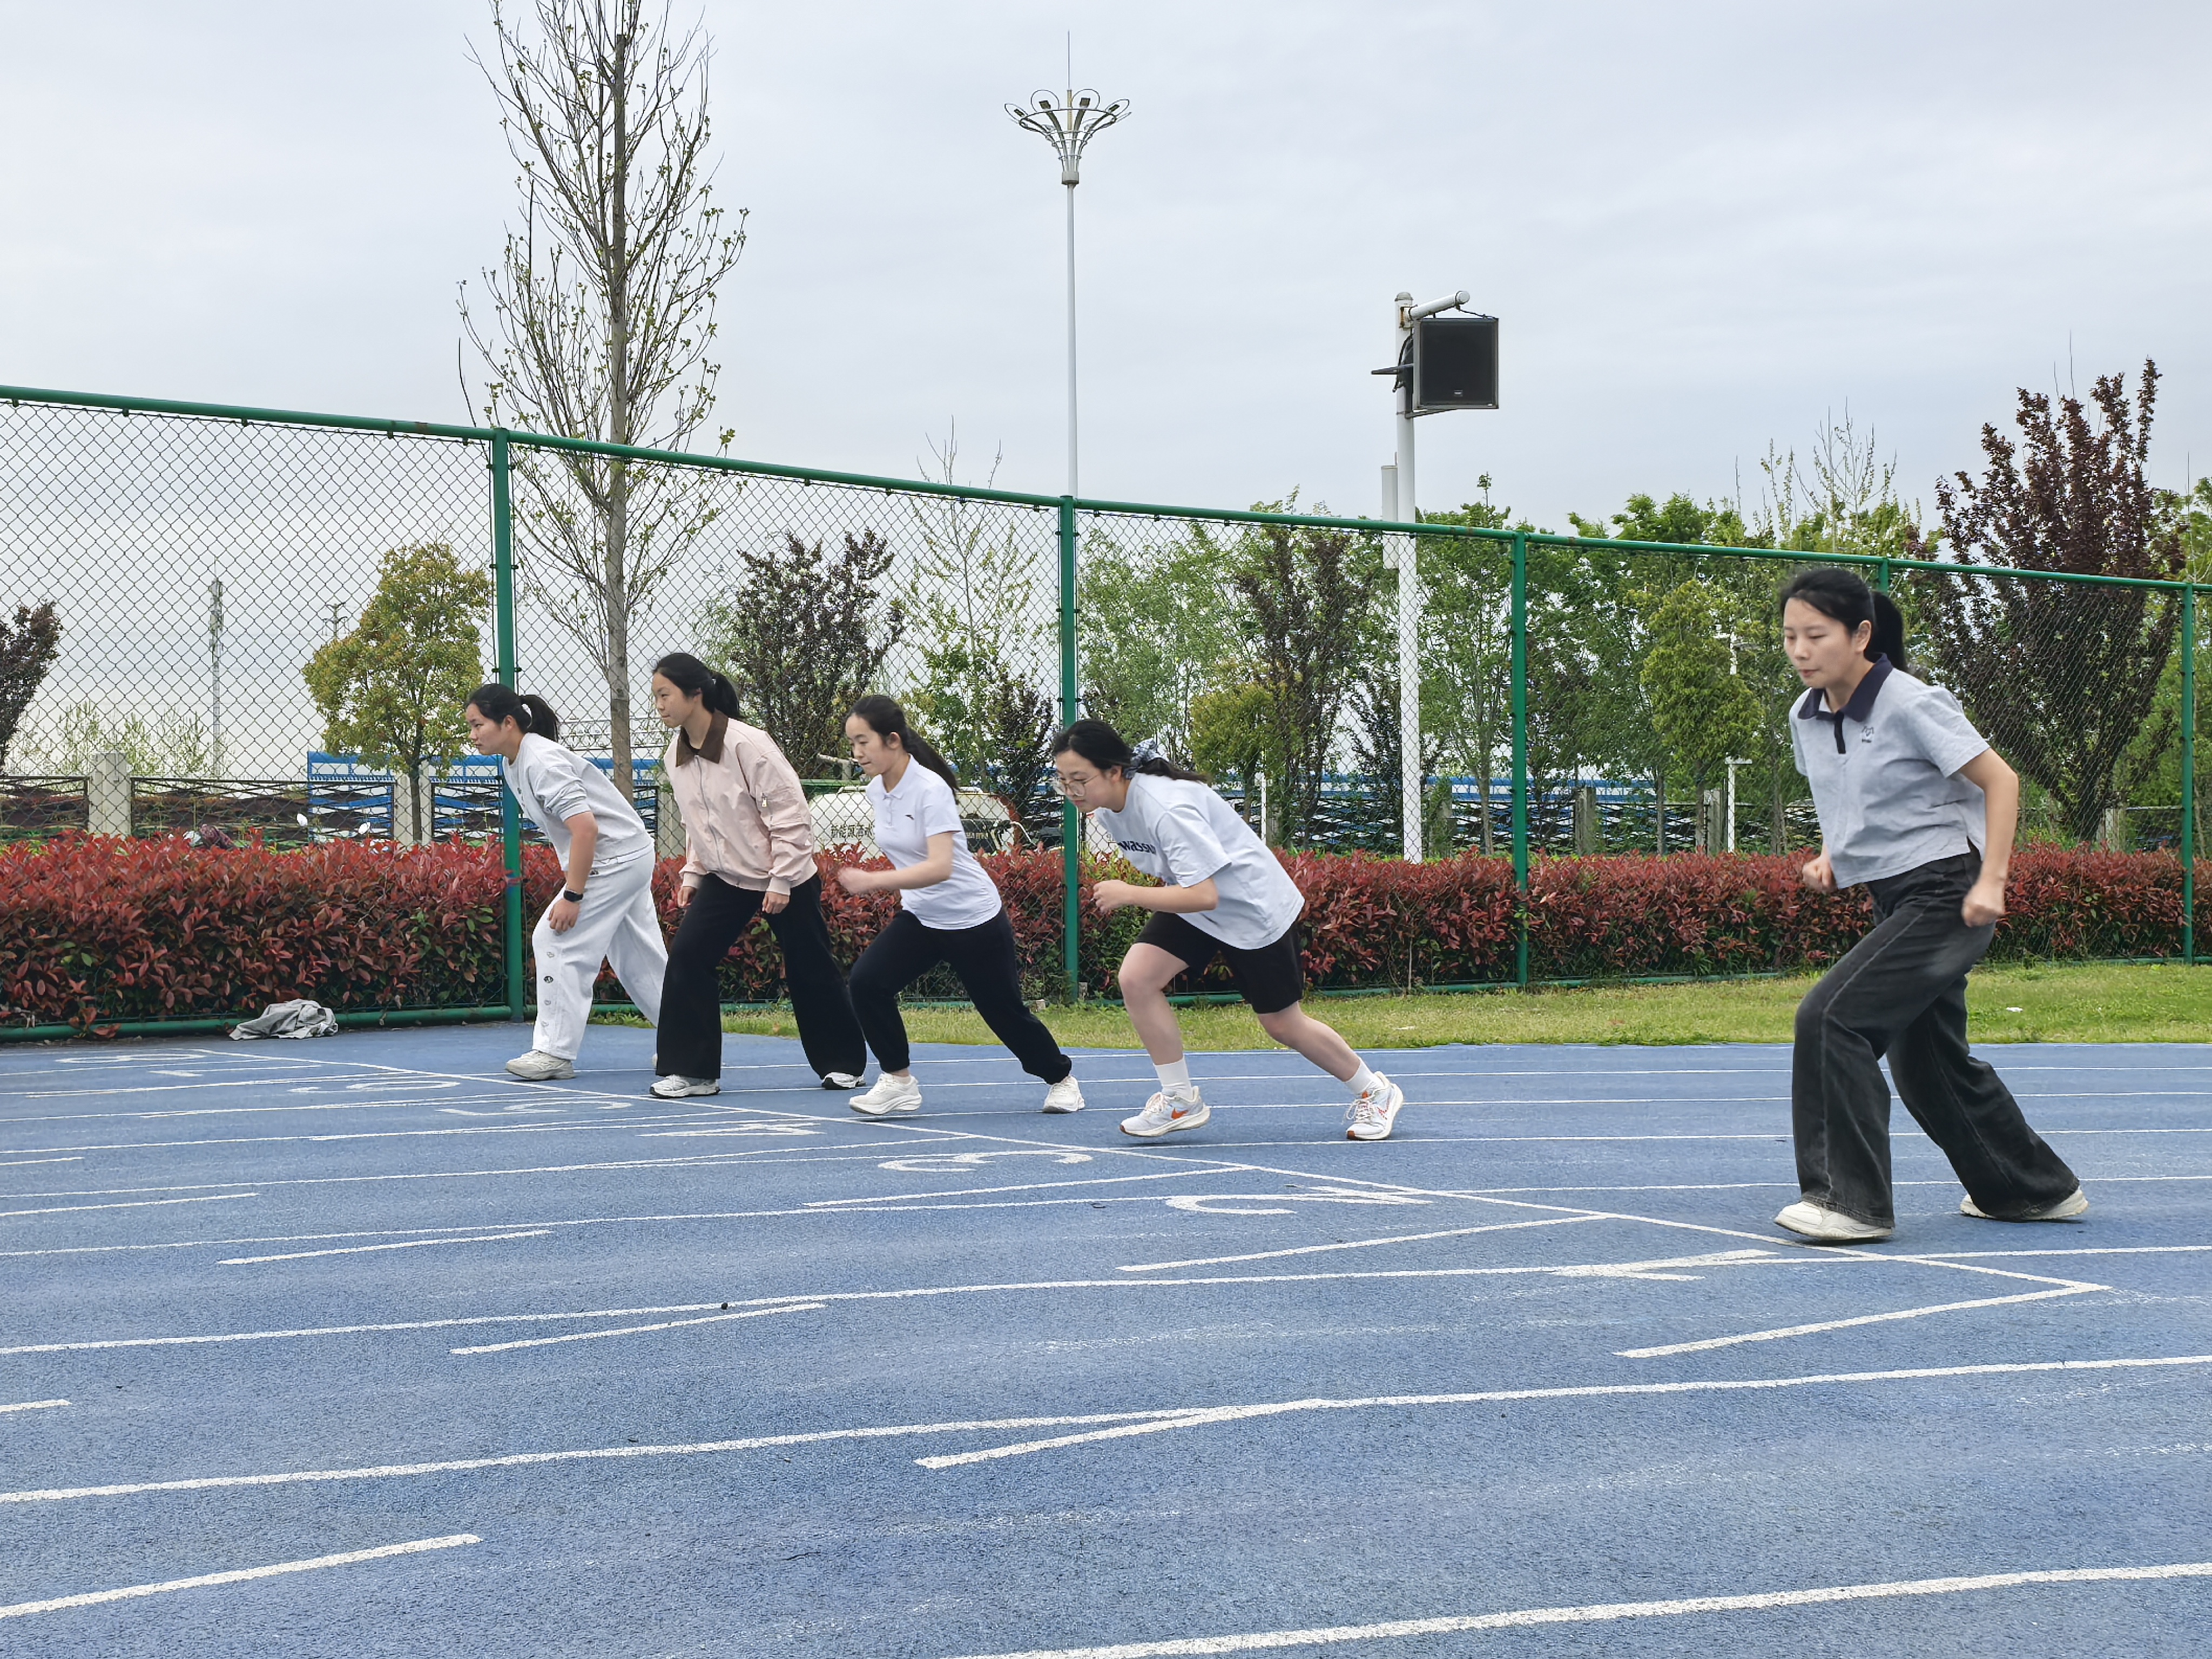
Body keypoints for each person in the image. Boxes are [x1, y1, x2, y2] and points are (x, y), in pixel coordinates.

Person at [1777, 567, 2085, 1243]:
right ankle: (2031, 1189)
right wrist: (1834, 855)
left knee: (1832, 1017)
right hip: (1895, 895)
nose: (1800, 650)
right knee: (1927, 1063)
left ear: (1860, 635)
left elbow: (2001, 781)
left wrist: (1992, 881)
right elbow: (1848, 794)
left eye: (1816, 636)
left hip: (1948, 890)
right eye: (1790, 636)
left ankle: (1849, 1203)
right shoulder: (1807, 715)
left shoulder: (1910, 703)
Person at [1049, 718, 1406, 1142]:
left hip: (1252, 910)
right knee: (1137, 979)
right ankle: (1180, 1099)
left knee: (1283, 1024)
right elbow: (1192, 887)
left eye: (1080, 780)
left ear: (1114, 771)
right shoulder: (1108, 810)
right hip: (1198, 903)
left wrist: (1130, 894)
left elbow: (1205, 894)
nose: (1071, 791)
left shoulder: (1166, 808)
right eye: (1063, 781)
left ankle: (1376, 1091)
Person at [837, 694, 1083, 1117]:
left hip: (973, 918)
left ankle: (1061, 1080)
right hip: (922, 917)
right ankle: (898, 1081)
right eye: (853, 744)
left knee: (1003, 1012)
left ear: (892, 740)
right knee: (867, 983)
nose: (857, 753)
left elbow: (941, 867)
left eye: (864, 742)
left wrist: (874, 881)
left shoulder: (930, 789)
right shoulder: (878, 790)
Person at [648, 653, 867, 1099]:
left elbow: (791, 816)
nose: (659, 705)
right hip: (726, 878)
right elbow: (698, 823)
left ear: (695, 694)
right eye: (656, 697)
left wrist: (782, 879)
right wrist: (693, 873)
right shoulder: (675, 755)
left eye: (665, 695)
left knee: (810, 967)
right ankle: (693, 1073)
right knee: (688, 958)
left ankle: (843, 1064)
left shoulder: (748, 745)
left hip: (785, 876)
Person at [464, 683, 666, 1081]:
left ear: (508, 723)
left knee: (555, 939)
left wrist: (573, 896)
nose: (472, 735)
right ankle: (687, 1037)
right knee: (637, 955)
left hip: (616, 858)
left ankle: (554, 1052)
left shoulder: (542, 762)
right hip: (629, 852)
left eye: (478, 725)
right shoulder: (513, 762)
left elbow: (586, 829)